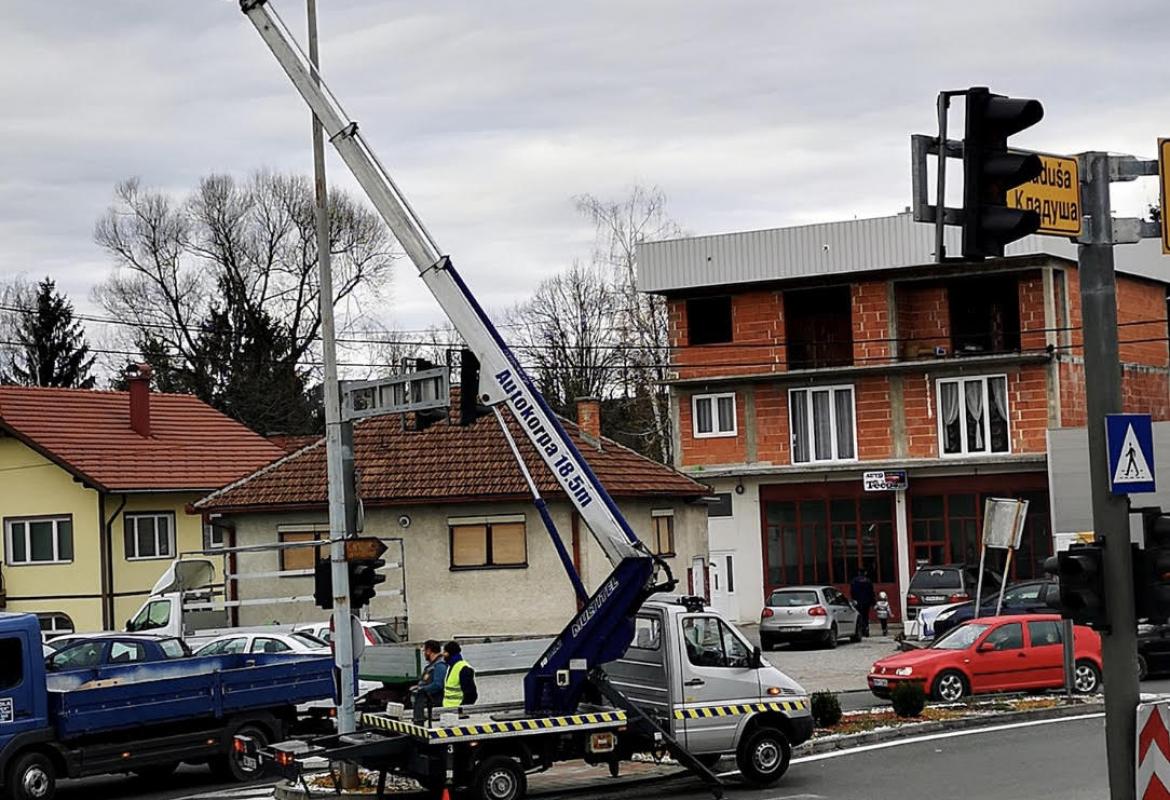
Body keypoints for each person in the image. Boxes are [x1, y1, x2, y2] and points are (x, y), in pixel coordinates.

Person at [410, 640, 447, 723]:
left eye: (424, 651)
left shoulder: (439, 666)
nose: (423, 654)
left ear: (429, 651)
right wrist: (418, 687)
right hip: (424, 704)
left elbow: (438, 685)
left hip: (432, 704)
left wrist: (421, 689)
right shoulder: (430, 666)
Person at [442, 640, 478, 708]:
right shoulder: (451, 666)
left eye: (445, 652)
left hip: (457, 710)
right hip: (448, 709)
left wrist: (462, 709)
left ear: (450, 653)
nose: (443, 654)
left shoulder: (464, 669)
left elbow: (471, 695)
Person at [851, 569, 876, 637]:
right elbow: (871, 592)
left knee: (859, 616)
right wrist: (873, 602)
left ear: (859, 573)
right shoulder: (868, 581)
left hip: (858, 602)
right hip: (866, 602)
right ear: (865, 573)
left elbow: (852, 591)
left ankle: (861, 630)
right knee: (866, 616)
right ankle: (866, 629)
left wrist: (854, 599)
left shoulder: (854, 581)